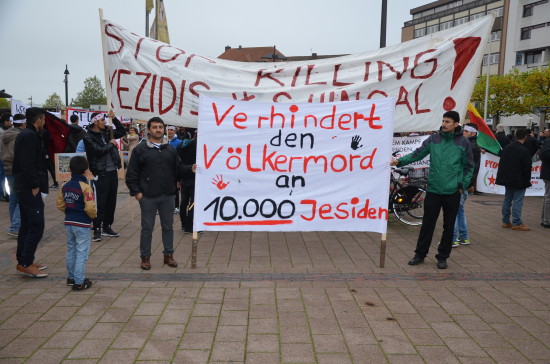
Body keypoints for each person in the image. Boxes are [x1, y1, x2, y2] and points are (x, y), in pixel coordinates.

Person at [391, 111, 474, 269]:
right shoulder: (433, 139)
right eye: (443, 120)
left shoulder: (464, 142)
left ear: (456, 124)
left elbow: (469, 166)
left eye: (448, 121)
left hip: (453, 191)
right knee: (427, 225)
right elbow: (417, 154)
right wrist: (398, 161)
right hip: (434, 189)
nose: (444, 124)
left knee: (449, 227)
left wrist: (462, 185)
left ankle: (442, 257)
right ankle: (420, 254)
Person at [125, 117, 196, 270]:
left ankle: (168, 255)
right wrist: (137, 194)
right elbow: (131, 175)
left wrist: (191, 168)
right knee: (147, 228)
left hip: (168, 196)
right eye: (155, 127)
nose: (158, 129)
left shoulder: (170, 149)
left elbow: (178, 168)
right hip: (148, 197)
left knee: (168, 227)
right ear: (149, 130)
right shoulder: (140, 149)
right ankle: (145, 257)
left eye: (160, 127)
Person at [13, 107, 49, 278]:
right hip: (28, 187)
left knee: (27, 225)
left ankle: (24, 260)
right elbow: (27, 163)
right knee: (36, 225)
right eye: (43, 119)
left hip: (25, 185)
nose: (44, 122)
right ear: (38, 120)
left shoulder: (29, 134)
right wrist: (35, 184)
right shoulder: (28, 136)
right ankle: (26, 263)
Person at [83, 110, 126, 242]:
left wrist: (115, 119)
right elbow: (98, 151)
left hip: (112, 171)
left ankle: (107, 226)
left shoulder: (107, 131)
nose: (105, 122)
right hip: (100, 173)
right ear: (96, 122)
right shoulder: (88, 137)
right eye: (102, 120)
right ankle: (97, 229)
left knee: (111, 201)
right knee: (100, 202)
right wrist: (110, 144)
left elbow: (122, 132)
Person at [56, 156, 96, 290]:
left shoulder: (64, 185)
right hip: (82, 223)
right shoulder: (86, 187)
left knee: (71, 250)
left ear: (70, 170)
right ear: (86, 171)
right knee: (81, 252)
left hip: (69, 222)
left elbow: (60, 204)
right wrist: (92, 217)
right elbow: (90, 208)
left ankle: (71, 277)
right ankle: (79, 281)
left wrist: (69, 212)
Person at [496, 128, 532, 231]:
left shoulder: (506, 148)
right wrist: (527, 179)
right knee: (517, 201)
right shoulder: (524, 150)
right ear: (525, 137)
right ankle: (517, 222)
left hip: (508, 178)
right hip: (519, 179)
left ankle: (506, 221)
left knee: (507, 199)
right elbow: (527, 167)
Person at [452, 123, 481, 247]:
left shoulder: (469, 146)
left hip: (461, 183)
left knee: (454, 210)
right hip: (465, 182)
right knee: (460, 210)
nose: (463, 132)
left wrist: (465, 183)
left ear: (473, 133)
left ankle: (453, 238)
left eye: (466, 131)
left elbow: (469, 167)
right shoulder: (473, 145)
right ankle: (464, 237)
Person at [2, 114, 26, 237]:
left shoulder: (5, 135)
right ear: (22, 123)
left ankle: (14, 224)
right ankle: (15, 226)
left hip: (7, 167)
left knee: (13, 198)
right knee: (19, 198)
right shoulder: (20, 136)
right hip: (17, 169)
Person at [178, 132, 197, 233]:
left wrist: (177, 179)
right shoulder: (198, 145)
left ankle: (184, 224)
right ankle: (189, 226)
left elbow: (178, 164)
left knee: (183, 202)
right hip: (195, 177)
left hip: (183, 177)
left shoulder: (180, 145)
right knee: (193, 202)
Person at [0, 114, 13, 201]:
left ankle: (5, 193)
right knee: (2, 176)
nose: (11, 123)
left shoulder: (11, 131)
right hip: (2, 157)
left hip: (7, 157)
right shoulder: (2, 132)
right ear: (5, 122)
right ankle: (2, 194)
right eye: (9, 121)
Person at [541, 128, 550, 228]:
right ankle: (546, 220)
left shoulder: (546, 142)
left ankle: (545, 219)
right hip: (548, 173)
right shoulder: (548, 143)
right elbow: (545, 155)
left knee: (547, 196)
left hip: (547, 172)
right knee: (548, 197)